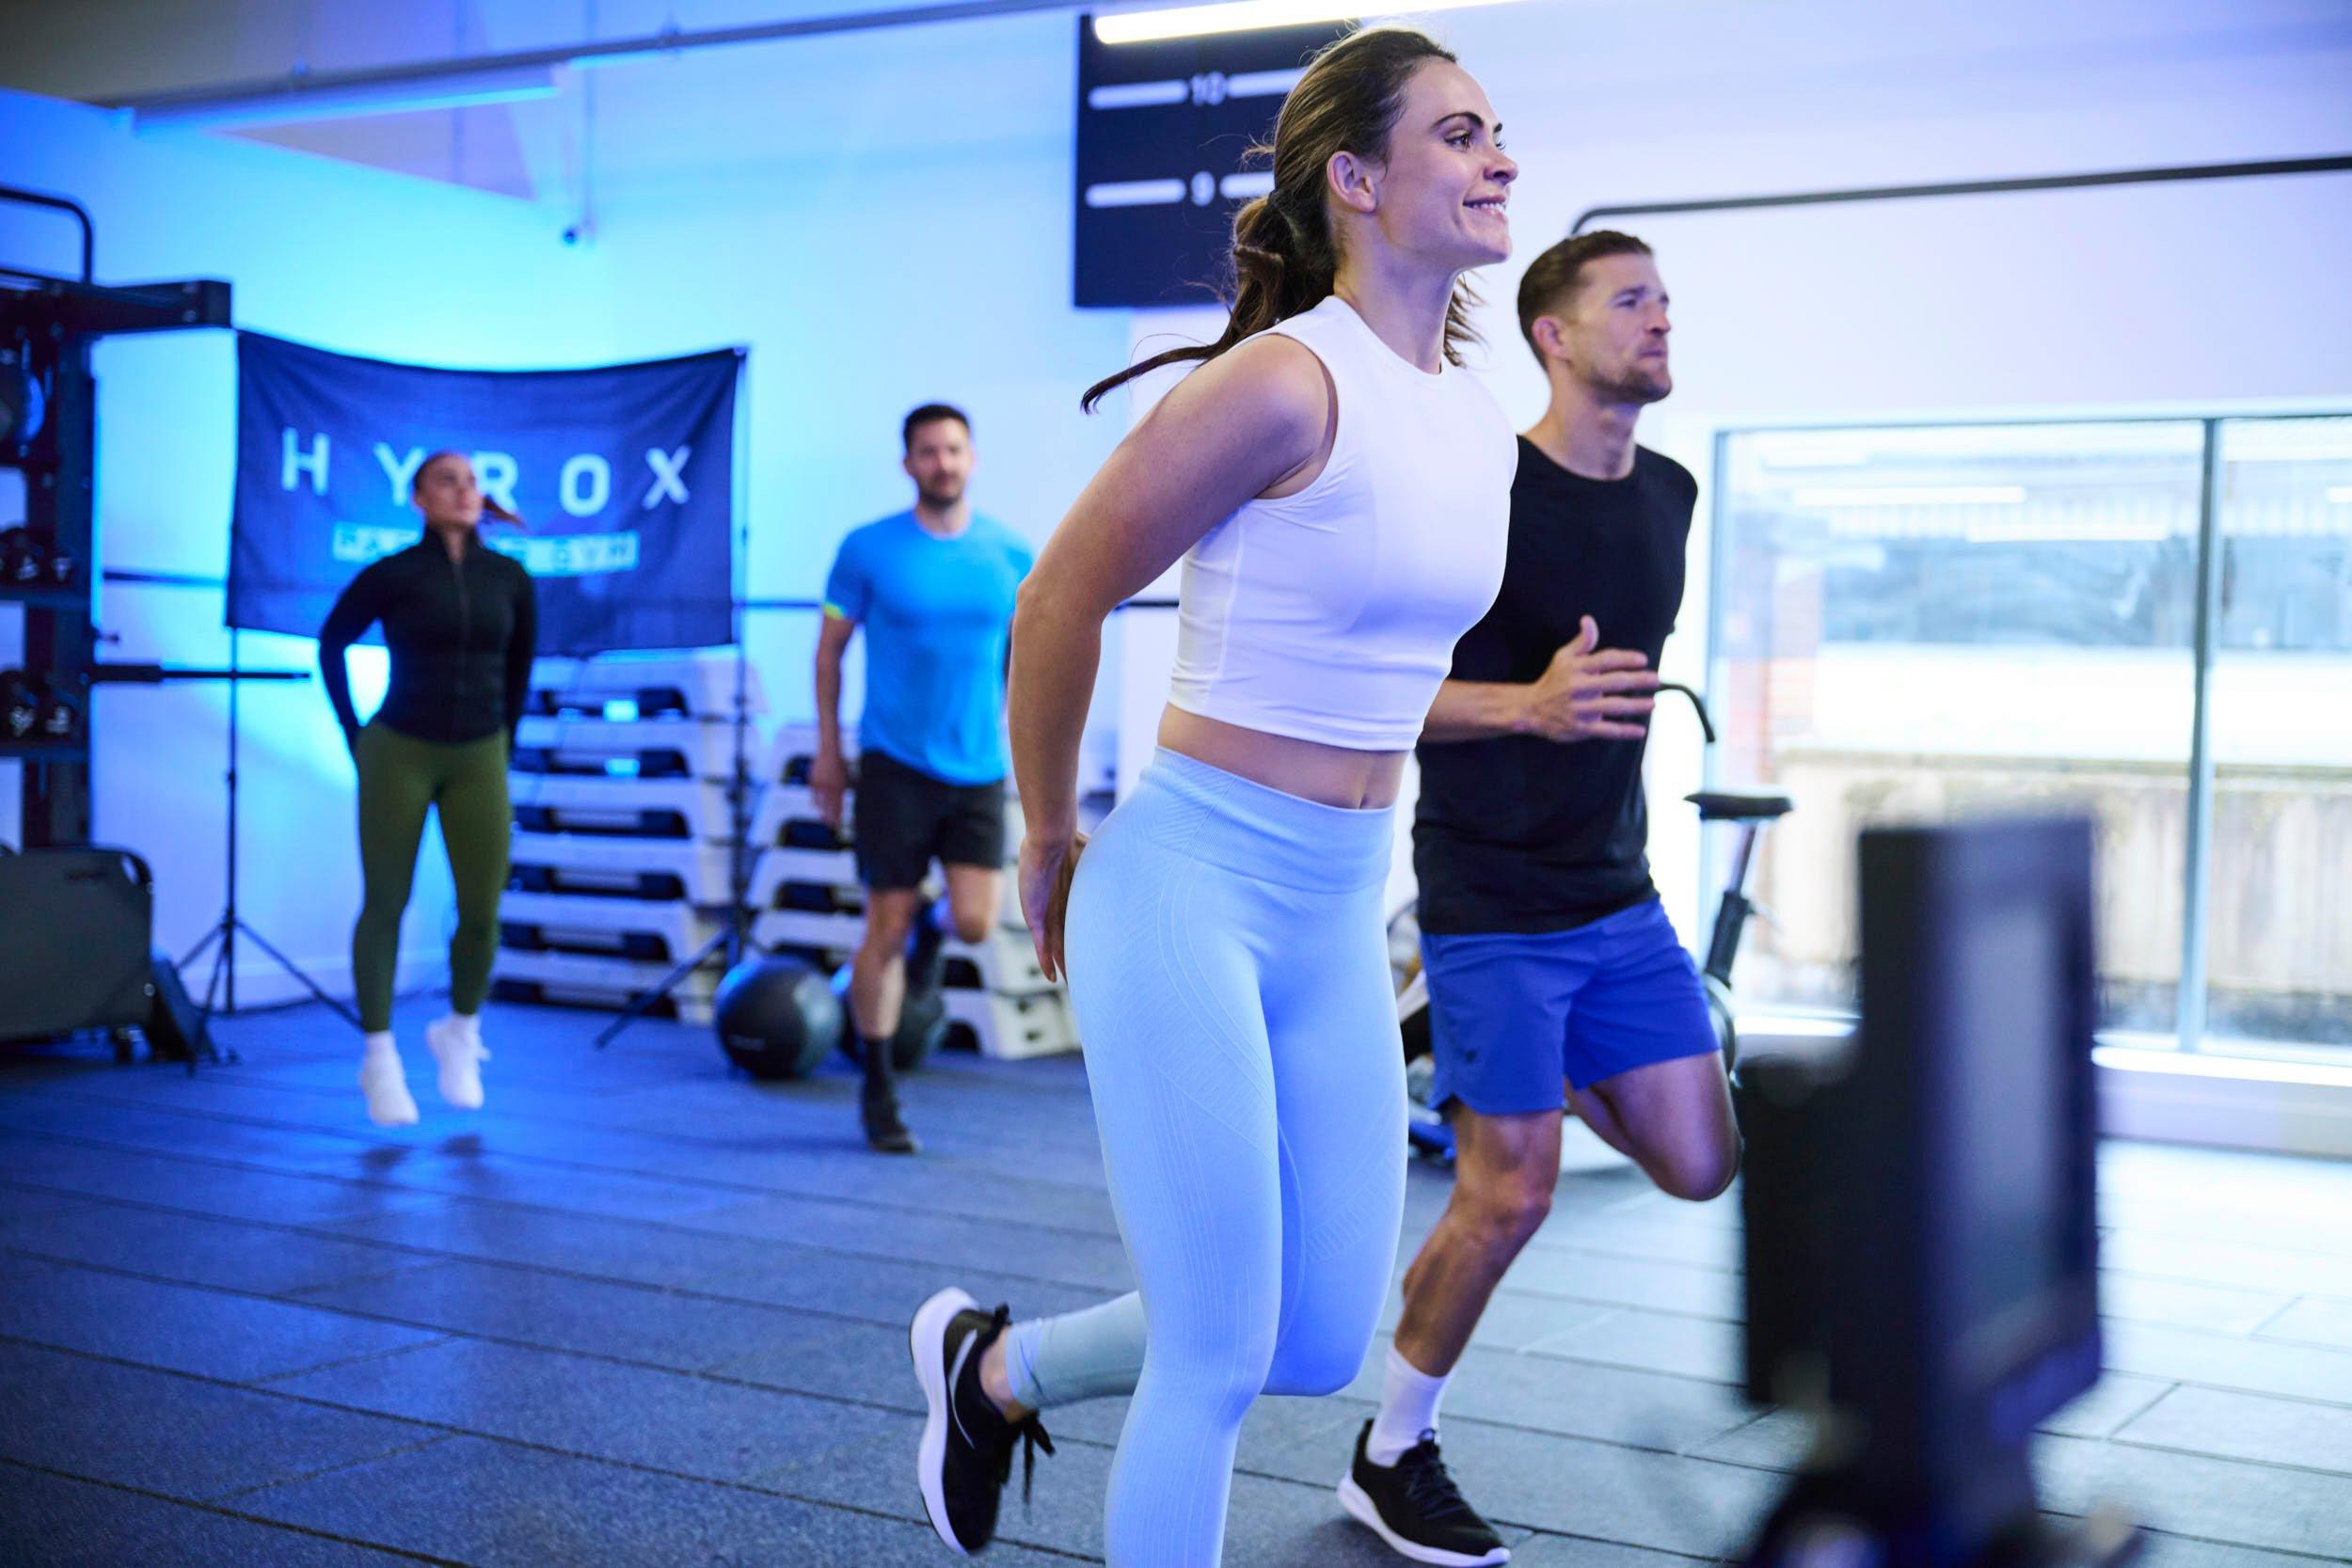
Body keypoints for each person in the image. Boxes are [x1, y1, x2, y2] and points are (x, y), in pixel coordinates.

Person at [903, 28, 1519, 1565]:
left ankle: (1000, 1371)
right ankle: (1018, 1383)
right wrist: (1050, 829)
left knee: (1314, 1339)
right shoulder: (1280, 381)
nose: (1498, 157)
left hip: (1336, 906)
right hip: (1187, 885)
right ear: (1357, 178)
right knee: (1215, 1355)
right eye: (1458, 134)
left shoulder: (1459, 409)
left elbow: (1383, 669)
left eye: (1497, 130)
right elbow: (1057, 596)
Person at [1341, 231, 1740, 1566]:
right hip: (1493, 895)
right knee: (1510, 1194)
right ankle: (1391, 1449)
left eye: (1668, 301)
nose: (1661, 320)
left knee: (1701, 1160)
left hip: (1616, 895)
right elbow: (1372, 695)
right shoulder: (1481, 491)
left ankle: (1517, 1077)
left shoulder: (1672, 494)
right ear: (1554, 336)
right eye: (1632, 301)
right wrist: (1528, 704)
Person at [811, 404, 1034, 1154]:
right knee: (886, 924)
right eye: (928, 452)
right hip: (893, 765)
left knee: (974, 920)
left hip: (976, 766)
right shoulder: (867, 550)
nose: (943, 462)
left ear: (972, 456)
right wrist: (829, 753)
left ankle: (933, 939)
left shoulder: (1010, 552)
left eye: (954, 449)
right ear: (908, 462)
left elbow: (1025, 656)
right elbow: (829, 651)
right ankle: (878, 1087)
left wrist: (1023, 739)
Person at [319, 451, 535, 1128]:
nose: (465, 491)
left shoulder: (509, 577)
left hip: (480, 752)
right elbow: (331, 642)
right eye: (448, 480)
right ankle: (379, 1057)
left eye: (473, 481)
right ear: (417, 497)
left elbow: (519, 670)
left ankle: (459, 1033)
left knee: (482, 908)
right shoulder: (394, 573)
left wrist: (505, 742)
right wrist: (357, 736)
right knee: (386, 900)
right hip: (400, 748)